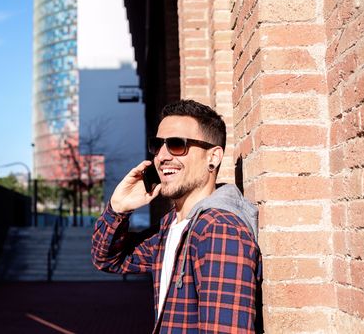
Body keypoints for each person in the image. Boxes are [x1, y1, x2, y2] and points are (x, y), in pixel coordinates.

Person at [91, 99, 262, 333]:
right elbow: (109, 259)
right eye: (158, 145)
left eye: (176, 145)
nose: (162, 156)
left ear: (213, 157)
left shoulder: (218, 229)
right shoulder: (173, 225)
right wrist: (118, 208)